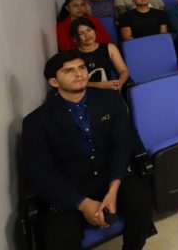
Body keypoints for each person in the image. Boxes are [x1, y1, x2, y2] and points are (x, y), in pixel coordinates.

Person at [22, 51, 153, 250]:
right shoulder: (36, 121)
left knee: (142, 201)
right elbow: (40, 171)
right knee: (59, 240)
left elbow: (123, 142)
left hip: (110, 174)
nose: (79, 74)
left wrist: (113, 188)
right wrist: (83, 204)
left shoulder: (110, 99)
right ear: (54, 82)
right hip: (70, 185)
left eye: (81, 67)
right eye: (69, 71)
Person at [70, 17, 129, 90]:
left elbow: (123, 71)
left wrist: (120, 82)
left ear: (95, 31)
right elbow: (73, 82)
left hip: (109, 88)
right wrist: (99, 85)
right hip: (84, 91)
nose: (87, 35)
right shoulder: (72, 55)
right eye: (81, 33)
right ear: (75, 38)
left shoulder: (110, 48)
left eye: (89, 30)